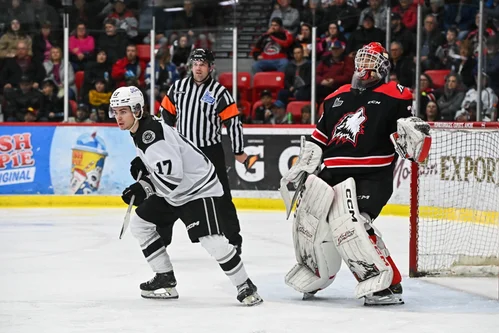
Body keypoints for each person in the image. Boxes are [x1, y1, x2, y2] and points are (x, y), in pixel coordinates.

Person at [280, 42, 431, 306]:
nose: (364, 68)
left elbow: (403, 135)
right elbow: (319, 139)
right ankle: (317, 271)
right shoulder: (336, 96)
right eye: (362, 61)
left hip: (370, 175)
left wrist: (412, 138)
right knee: (310, 223)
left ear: (382, 67)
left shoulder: (396, 95)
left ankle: (386, 283)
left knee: (354, 224)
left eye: (371, 63)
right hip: (330, 174)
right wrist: (304, 165)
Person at [109, 85, 262, 306]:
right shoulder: (141, 129)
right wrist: (145, 167)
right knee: (141, 224)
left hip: (198, 190)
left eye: (123, 111)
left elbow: (173, 177)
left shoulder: (150, 134)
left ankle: (245, 285)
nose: (118, 117)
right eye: (115, 112)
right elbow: (165, 166)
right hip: (175, 192)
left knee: (213, 242)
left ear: (137, 110)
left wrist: (144, 187)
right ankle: (165, 278)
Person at [159, 49, 246, 255]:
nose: (198, 67)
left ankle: (234, 239)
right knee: (170, 194)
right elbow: (165, 115)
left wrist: (238, 150)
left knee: (221, 196)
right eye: (195, 63)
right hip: (183, 151)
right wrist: (165, 145)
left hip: (210, 151)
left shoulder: (219, 92)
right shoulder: (178, 88)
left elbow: (233, 123)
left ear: (210, 67)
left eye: (203, 64)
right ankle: (162, 241)